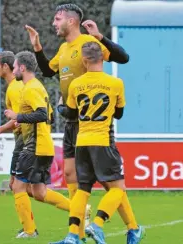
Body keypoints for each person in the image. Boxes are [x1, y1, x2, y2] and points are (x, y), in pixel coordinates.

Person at [25, 3, 141, 239]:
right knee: (71, 176)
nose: (54, 23)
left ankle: (131, 227)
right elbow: (48, 71)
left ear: (71, 21)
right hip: (72, 121)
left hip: (91, 123)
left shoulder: (89, 44)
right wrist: (37, 48)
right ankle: (75, 234)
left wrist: (100, 36)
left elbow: (123, 57)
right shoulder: (64, 48)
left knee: (110, 184)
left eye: (57, 19)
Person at [50, 42, 143, 244]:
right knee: (118, 189)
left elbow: (72, 113)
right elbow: (118, 113)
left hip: (81, 142)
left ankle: (73, 235)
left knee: (83, 189)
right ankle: (98, 223)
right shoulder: (116, 83)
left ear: (84, 60)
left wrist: (60, 108)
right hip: (103, 141)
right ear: (103, 58)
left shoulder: (76, 84)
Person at [3, 51, 72, 238]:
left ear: (22, 68)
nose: (14, 70)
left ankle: (29, 231)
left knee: (17, 187)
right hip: (42, 145)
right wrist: (23, 119)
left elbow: (42, 114)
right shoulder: (36, 86)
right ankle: (80, 210)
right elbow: (48, 115)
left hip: (34, 147)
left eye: (16, 67)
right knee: (40, 193)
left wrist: (18, 116)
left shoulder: (31, 88)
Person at [0, 51, 39, 234]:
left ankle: (30, 230)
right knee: (31, 190)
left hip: (25, 140)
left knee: (18, 186)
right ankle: (30, 228)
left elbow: (18, 118)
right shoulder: (13, 86)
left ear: (6, 67)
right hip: (23, 139)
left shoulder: (15, 87)